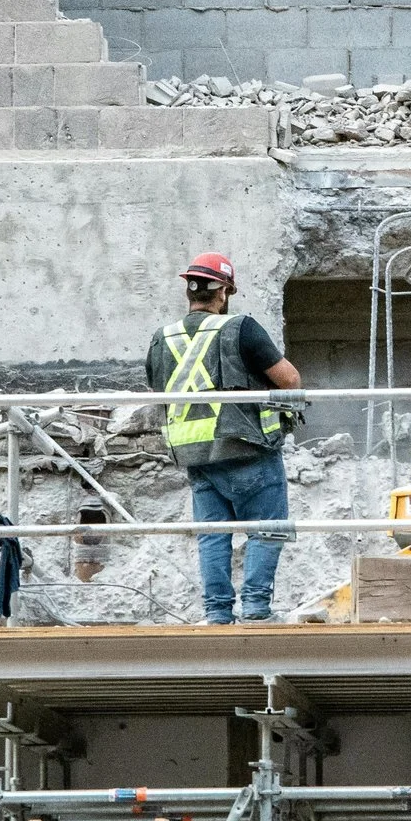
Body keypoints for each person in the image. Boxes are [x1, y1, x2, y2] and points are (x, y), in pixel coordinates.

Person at [145, 251, 305, 624]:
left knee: (213, 535)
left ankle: (217, 613)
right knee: (267, 527)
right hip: (247, 446)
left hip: (196, 454)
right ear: (224, 292)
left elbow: (158, 389)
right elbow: (290, 380)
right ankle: (255, 610)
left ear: (190, 291)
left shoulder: (161, 338)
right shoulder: (240, 328)